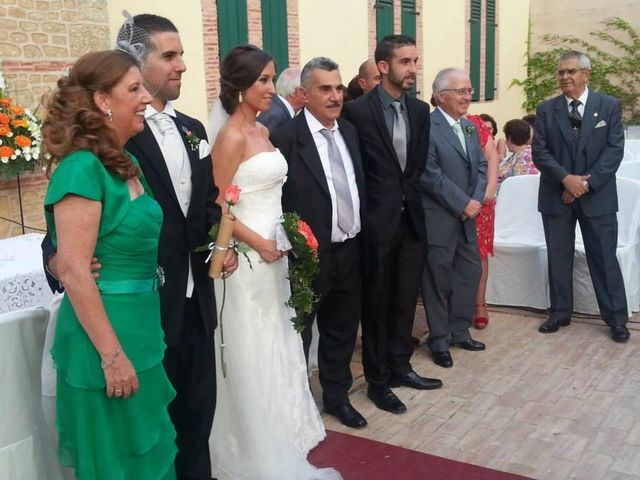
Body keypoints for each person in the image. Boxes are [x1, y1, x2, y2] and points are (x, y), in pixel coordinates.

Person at [42, 49, 176, 479]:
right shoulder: (81, 170)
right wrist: (112, 356)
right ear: (102, 100)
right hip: (105, 339)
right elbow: (75, 269)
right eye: (133, 89)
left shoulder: (127, 162)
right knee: (116, 463)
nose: (146, 98)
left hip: (141, 328)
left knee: (150, 455)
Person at [208, 46, 341, 480]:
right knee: (252, 348)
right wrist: (258, 243)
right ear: (240, 85)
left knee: (280, 342)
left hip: (275, 255)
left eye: (270, 79)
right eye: (262, 80)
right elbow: (219, 204)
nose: (270, 87)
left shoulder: (264, 130)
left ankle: (284, 429)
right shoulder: (230, 136)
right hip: (246, 262)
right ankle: (251, 442)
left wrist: (287, 233)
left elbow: (272, 194)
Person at [341, 35, 442, 414]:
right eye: (405, 62)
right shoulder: (359, 112)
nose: (413, 69)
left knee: (404, 301)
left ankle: (401, 366)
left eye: (415, 61)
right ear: (383, 67)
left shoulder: (419, 111)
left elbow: (415, 168)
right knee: (377, 304)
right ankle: (378, 381)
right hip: (376, 224)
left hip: (412, 221)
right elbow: (356, 170)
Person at [272, 57, 368, 430]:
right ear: (305, 93)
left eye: (339, 88)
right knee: (302, 331)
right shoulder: (284, 139)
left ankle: (337, 396)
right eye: (325, 89)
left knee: (342, 329)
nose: (335, 96)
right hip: (308, 257)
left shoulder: (349, 133)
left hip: (350, 248)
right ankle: (300, 403)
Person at [532, 50, 629, 342]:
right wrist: (565, 179)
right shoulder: (546, 109)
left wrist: (584, 185)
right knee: (558, 257)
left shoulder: (608, 106)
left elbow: (614, 150)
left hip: (596, 196)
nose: (565, 77)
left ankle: (615, 319)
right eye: (561, 72)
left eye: (571, 71)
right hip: (555, 194)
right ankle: (560, 313)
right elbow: (540, 152)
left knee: (603, 258)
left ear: (586, 74)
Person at [420, 68, 488, 368]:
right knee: (437, 280)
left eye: (468, 91)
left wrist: (474, 200)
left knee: (468, 274)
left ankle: (460, 330)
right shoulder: (427, 126)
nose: (467, 96)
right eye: (460, 91)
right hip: (440, 218)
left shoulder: (470, 127)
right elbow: (428, 172)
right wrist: (462, 203)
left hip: (468, 219)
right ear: (440, 95)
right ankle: (438, 339)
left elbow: (482, 167)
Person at [466, 114, 499, 329]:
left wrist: (488, 190)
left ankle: (479, 303)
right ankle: (456, 305)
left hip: (481, 201)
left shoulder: (476, 123)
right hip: (451, 200)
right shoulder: (433, 123)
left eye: (467, 92)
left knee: (479, 253)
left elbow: (492, 158)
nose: (465, 96)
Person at [257, 66, 305, 132]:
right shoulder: (277, 116)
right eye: (306, 90)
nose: (309, 95)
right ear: (296, 91)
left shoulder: (277, 108)